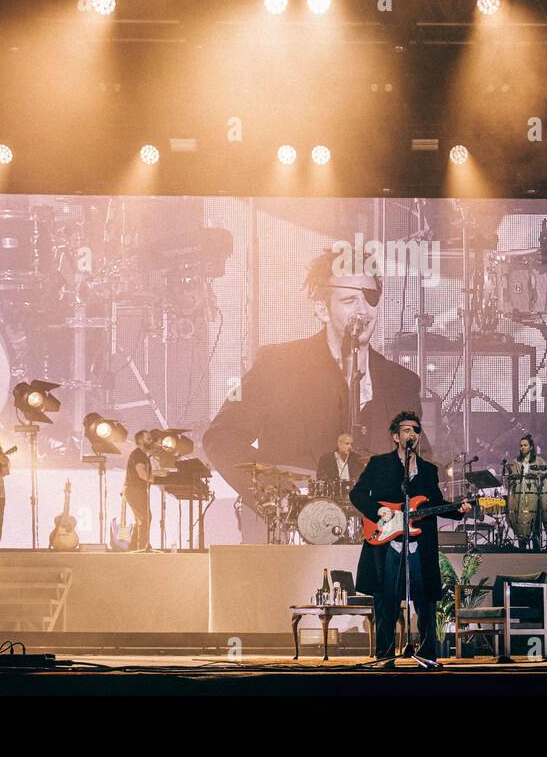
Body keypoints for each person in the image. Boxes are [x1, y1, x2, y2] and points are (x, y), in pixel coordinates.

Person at [203, 250, 422, 541]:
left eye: (370, 298)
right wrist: (274, 492)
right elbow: (222, 436)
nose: (363, 310)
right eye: (348, 300)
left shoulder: (402, 382)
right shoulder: (277, 364)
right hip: (288, 540)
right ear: (321, 309)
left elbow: (416, 460)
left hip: (373, 546)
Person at [349, 411, 471, 665]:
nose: (412, 433)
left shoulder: (428, 470)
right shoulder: (379, 464)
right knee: (386, 602)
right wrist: (377, 510)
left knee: (425, 601)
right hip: (387, 542)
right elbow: (357, 494)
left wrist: (458, 510)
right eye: (406, 430)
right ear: (395, 436)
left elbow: (435, 504)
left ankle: (426, 656)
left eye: (416, 430)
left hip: (419, 544)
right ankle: (384, 658)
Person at [125, 430, 153, 551]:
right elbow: (142, 474)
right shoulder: (138, 455)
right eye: (148, 439)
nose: (151, 441)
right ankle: (142, 548)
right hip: (134, 490)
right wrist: (155, 477)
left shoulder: (143, 455)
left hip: (136, 490)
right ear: (140, 441)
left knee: (141, 519)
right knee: (145, 518)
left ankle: (133, 548)